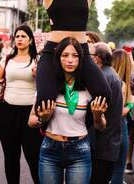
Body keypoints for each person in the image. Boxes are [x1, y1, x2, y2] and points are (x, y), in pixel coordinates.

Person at [28, 37, 108, 184]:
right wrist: (43, 118)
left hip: (80, 150)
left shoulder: (89, 88)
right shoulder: (49, 85)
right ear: (58, 58)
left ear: (81, 59)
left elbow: (101, 126)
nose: (70, 60)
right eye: (65, 55)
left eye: (75, 56)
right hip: (50, 149)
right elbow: (31, 121)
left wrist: (97, 116)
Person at [0, 24, 43, 184]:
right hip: (7, 114)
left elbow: (48, 87)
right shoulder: (6, 60)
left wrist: (40, 76)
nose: (20, 39)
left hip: (31, 115)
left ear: (30, 40)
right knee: (11, 158)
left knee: (33, 157)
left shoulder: (38, 61)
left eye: (23, 36)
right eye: (17, 36)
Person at [36, 0, 111, 112]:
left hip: (81, 53)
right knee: (44, 102)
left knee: (104, 95)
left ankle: (82, 121)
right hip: (53, 52)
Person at [89, 42, 123, 184]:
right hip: (108, 144)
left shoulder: (104, 77)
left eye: (89, 55)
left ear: (97, 58)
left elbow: (98, 113)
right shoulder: (109, 74)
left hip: (102, 146)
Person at [111, 49, 134, 184]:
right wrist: (132, 102)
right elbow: (120, 112)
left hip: (106, 128)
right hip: (119, 126)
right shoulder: (121, 84)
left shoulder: (107, 78)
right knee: (118, 168)